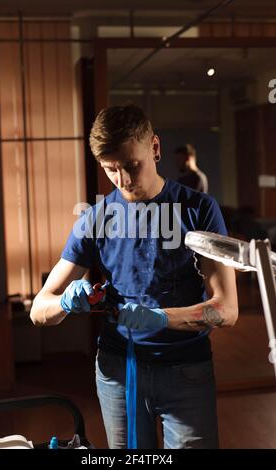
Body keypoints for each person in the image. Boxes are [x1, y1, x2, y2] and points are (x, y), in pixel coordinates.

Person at [30, 104, 238, 449]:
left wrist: (160, 318)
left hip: (186, 369)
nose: (123, 180)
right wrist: (66, 301)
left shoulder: (198, 209)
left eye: (131, 165)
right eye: (111, 169)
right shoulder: (95, 219)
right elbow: (39, 310)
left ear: (154, 148)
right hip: (118, 372)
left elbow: (227, 310)